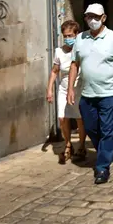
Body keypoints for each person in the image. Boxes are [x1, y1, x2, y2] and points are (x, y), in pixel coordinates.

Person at [67, 3, 113, 184]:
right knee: (90, 128)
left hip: (110, 93)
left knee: (107, 130)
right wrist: (70, 88)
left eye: (96, 17)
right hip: (87, 94)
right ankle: (105, 152)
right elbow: (74, 64)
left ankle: (102, 167)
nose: (93, 20)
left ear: (104, 18)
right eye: (89, 17)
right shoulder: (80, 38)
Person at [46, 20, 86, 165]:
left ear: (76, 34)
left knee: (80, 118)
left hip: (78, 88)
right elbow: (54, 71)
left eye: (70, 35)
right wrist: (49, 89)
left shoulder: (82, 50)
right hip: (63, 89)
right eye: (65, 36)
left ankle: (81, 146)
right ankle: (68, 144)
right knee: (62, 118)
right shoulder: (59, 52)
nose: (68, 38)